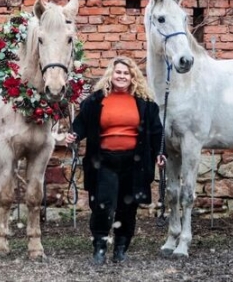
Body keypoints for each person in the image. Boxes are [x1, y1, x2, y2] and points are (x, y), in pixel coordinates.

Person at [65, 56, 165, 265]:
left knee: (127, 207)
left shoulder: (146, 104)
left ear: (133, 77)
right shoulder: (95, 101)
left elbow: (156, 132)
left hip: (134, 163)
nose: (121, 76)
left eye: (126, 73)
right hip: (103, 162)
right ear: (111, 74)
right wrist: (73, 134)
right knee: (102, 205)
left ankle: (121, 247)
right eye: (118, 72)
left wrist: (159, 152)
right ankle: (99, 246)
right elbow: (81, 123)